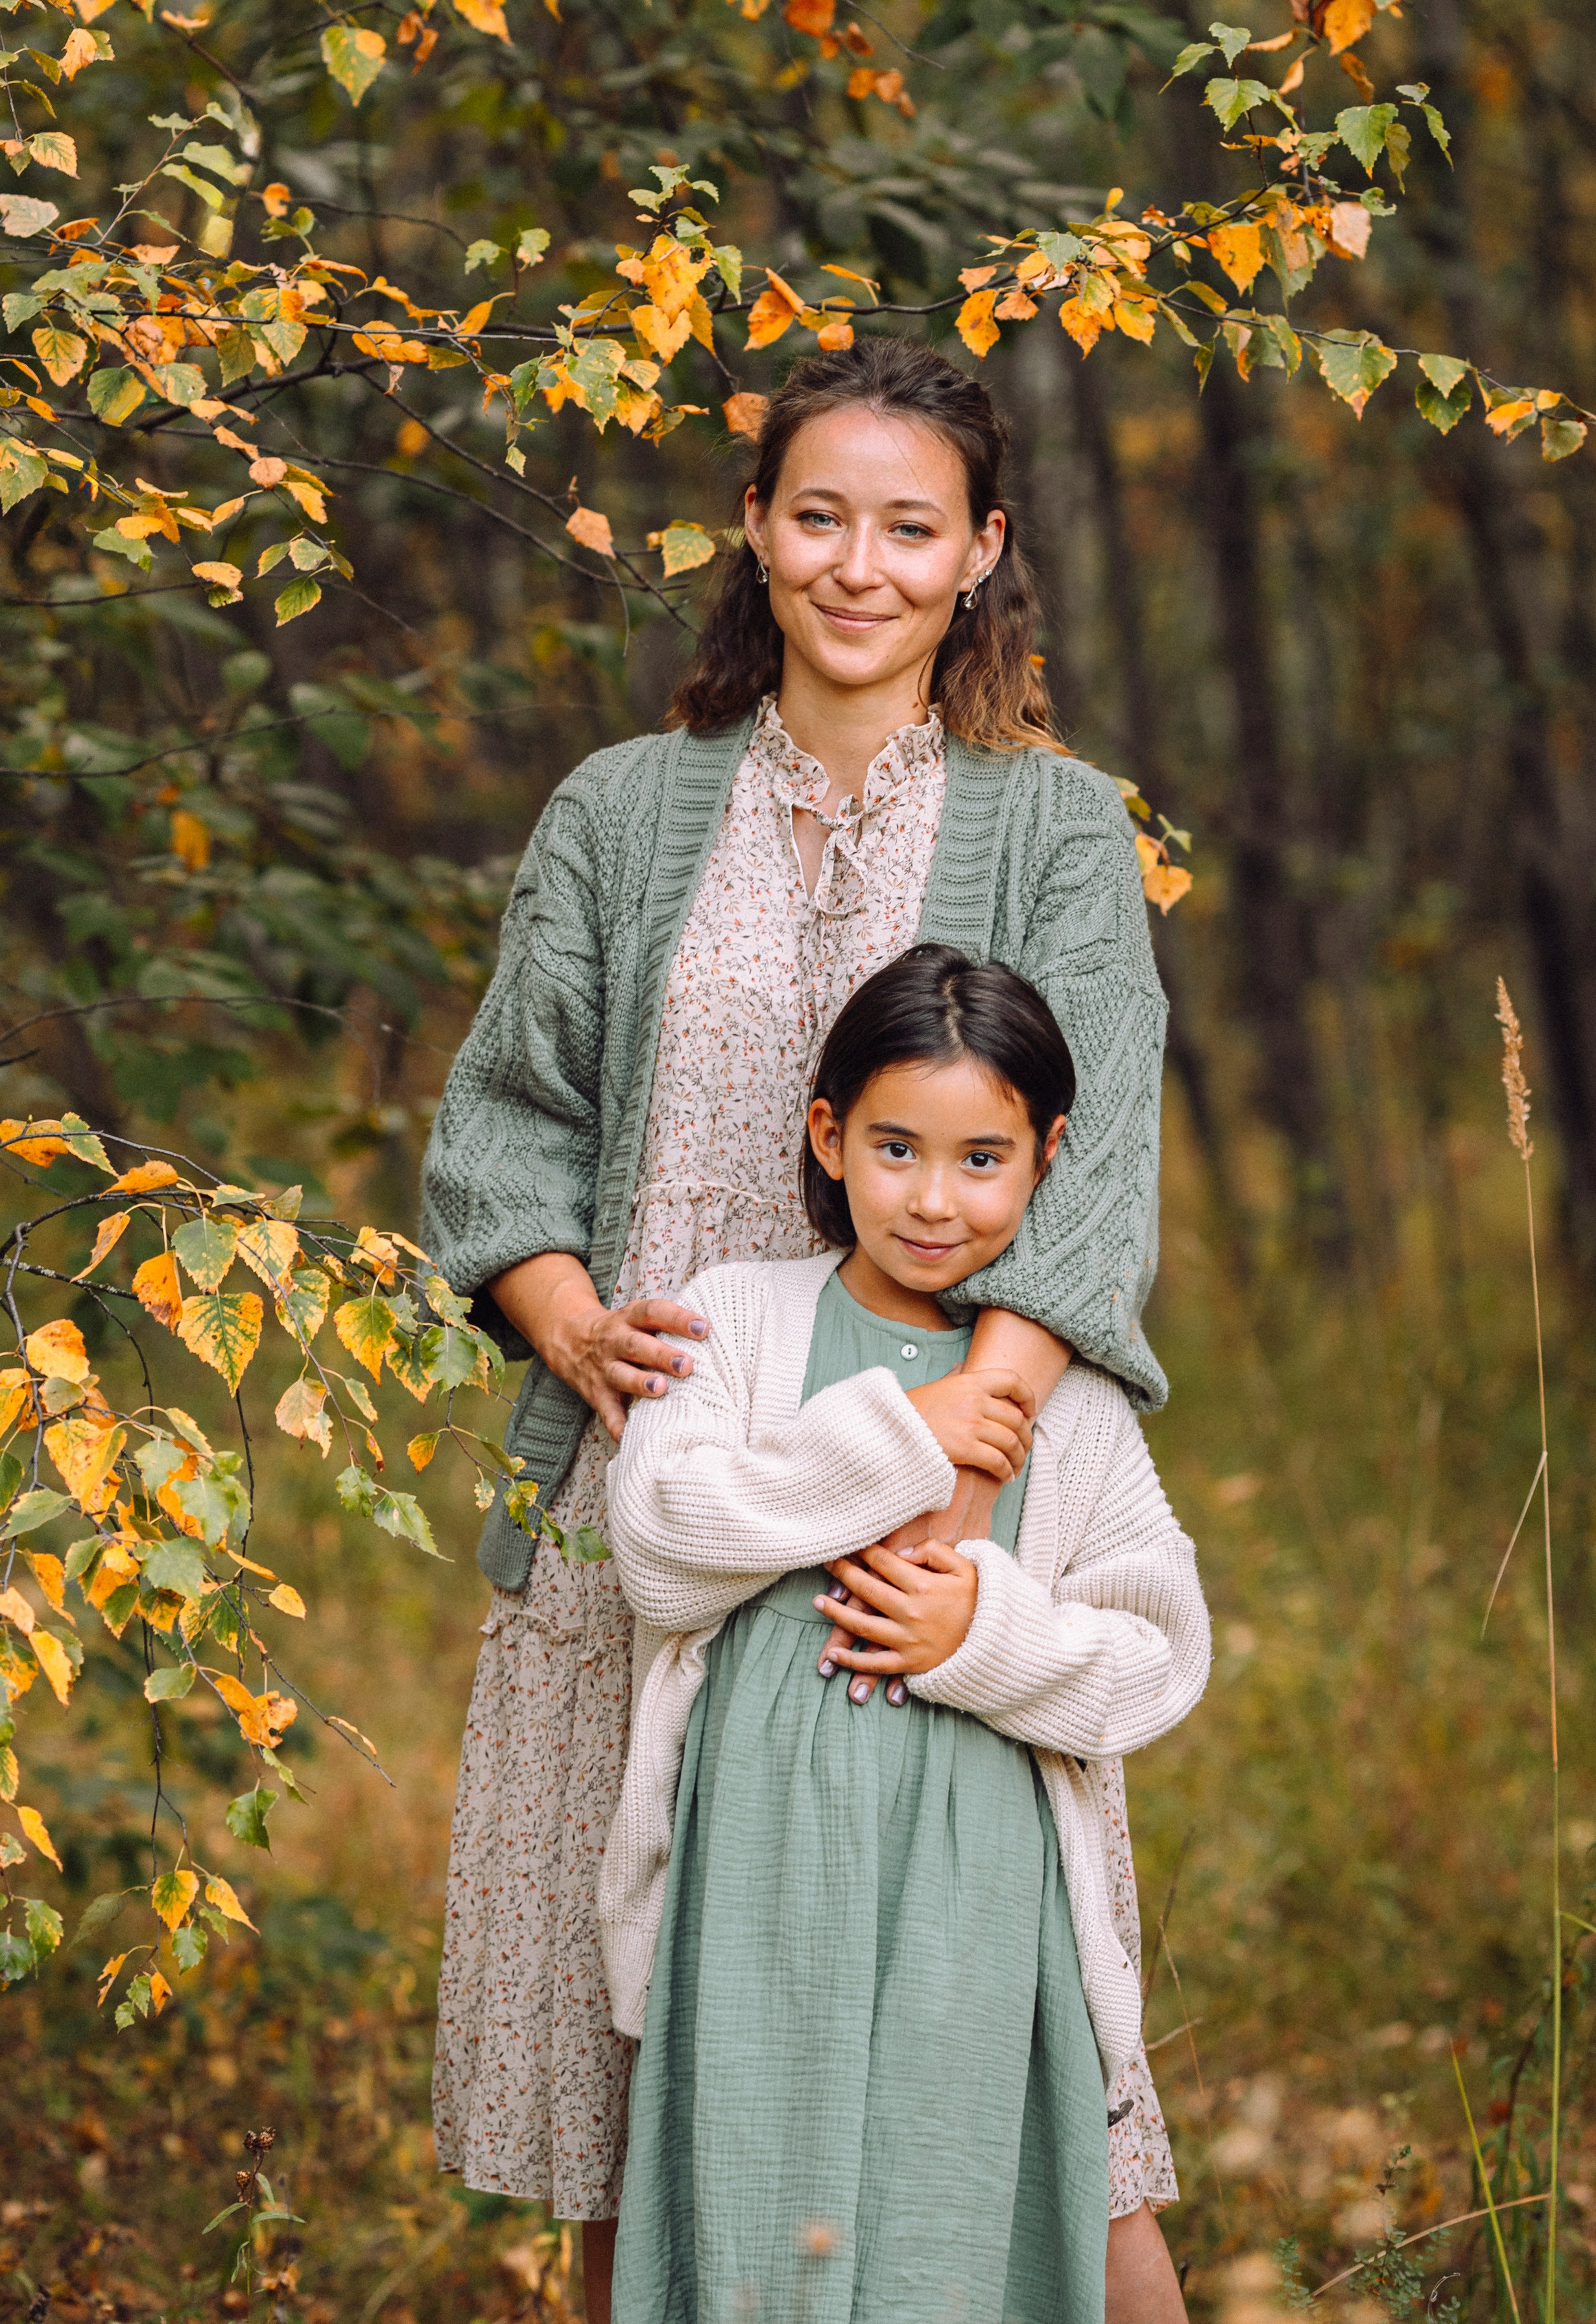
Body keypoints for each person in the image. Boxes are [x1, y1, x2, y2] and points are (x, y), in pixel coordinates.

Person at [421, 335, 1184, 2323]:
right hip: (659, 1495)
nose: (860, 563)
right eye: (819, 513)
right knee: (637, 2089)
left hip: (951, 1519)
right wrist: (570, 1324)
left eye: (909, 524)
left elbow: (1095, 1173)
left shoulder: (1059, 828)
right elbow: (506, 1117)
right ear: (755, 532)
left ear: (981, 551)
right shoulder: (623, 810)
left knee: (1031, 2074)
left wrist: (968, 1441)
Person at [599, 946, 1211, 2324]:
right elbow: (658, 1539)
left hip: (978, 1893)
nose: (934, 1199)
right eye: (893, 1148)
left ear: (1048, 1158)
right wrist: (892, 1438)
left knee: (949, 2218)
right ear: (828, 1135)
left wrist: (978, 1629)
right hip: (752, 1882)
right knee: (759, 2220)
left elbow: (1157, 1649)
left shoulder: (1071, 1397)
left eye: (981, 1159)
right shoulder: (741, 1318)